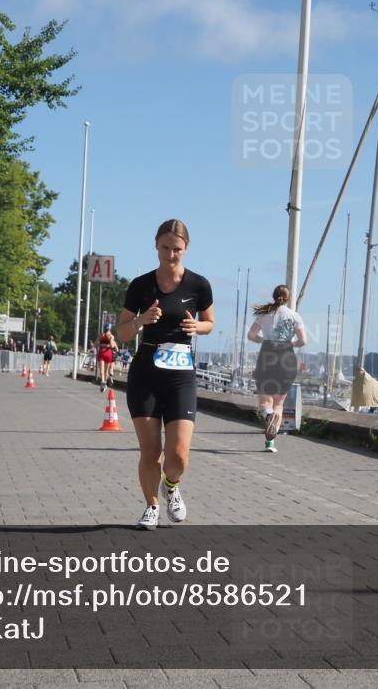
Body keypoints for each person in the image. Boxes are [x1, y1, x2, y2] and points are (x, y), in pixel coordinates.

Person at [116, 219, 214, 531]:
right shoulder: (141, 285)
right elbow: (121, 332)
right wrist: (142, 319)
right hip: (145, 371)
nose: (170, 254)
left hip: (180, 374)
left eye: (177, 249)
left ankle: (170, 486)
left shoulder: (199, 285)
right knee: (151, 451)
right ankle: (151, 506)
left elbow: (209, 322)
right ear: (156, 245)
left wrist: (196, 327)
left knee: (179, 455)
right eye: (165, 248)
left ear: (186, 250)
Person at [247, 285, 307, 453]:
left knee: (265, 402)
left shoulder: (264, 314)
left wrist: (262, 341)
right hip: (286, 357)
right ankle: (271, 443)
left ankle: (268, 415)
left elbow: (251, 335)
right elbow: (303, 341)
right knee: (279, 404)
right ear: (288, 298)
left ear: (274, 296)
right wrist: (290, 344)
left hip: (267, 354)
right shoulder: (295, 316)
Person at [96, 323, 118, 392]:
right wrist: (101, 339)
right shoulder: (104, 336)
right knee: (104, 371)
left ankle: (104, 382)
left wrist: (108, 339)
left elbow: (111, 345)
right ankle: (103, 382)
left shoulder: (110, 336)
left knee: (104, 371)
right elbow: (96, 344)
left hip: (105, 354)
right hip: (105, 354)